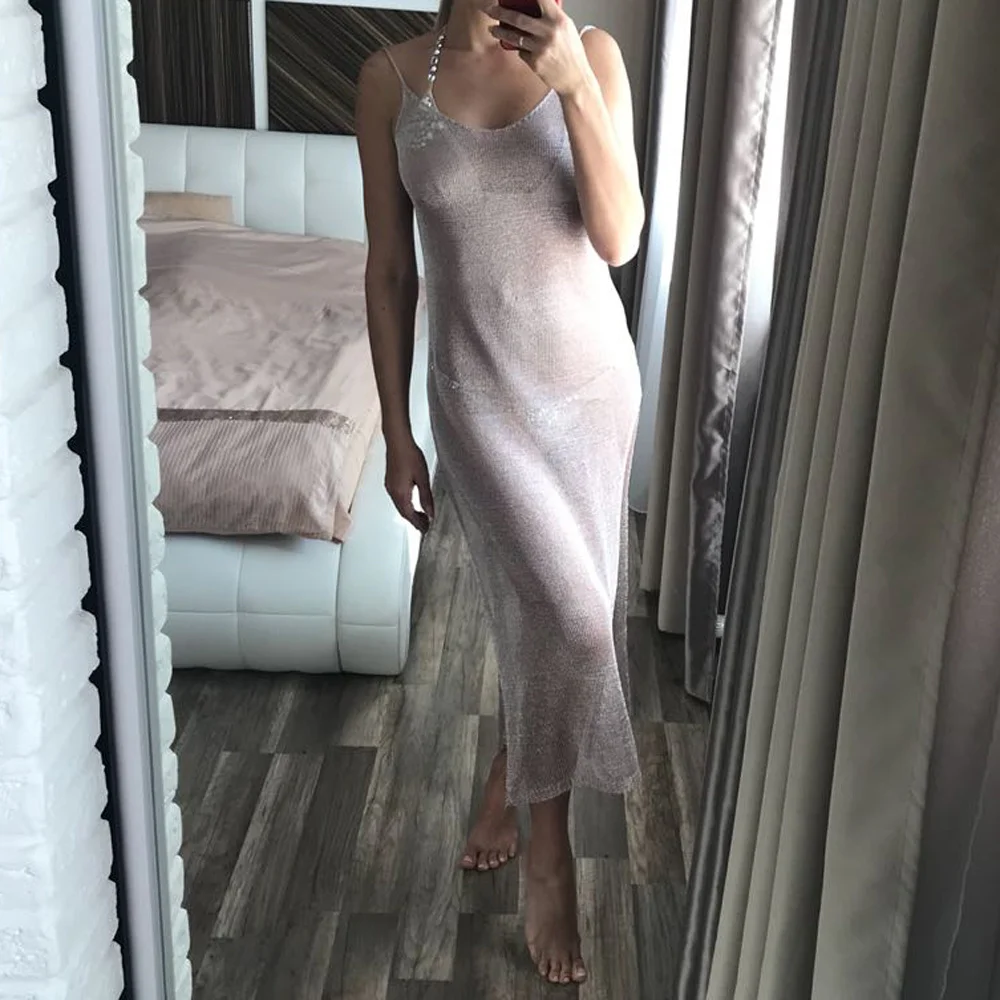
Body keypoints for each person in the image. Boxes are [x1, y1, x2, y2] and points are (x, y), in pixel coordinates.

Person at [356, 0, 644, 985]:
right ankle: (549, 855)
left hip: (591, 392)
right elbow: (389, 271)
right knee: (575, 624)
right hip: (478, 403)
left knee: (566, 623)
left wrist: (572, 85)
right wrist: (395, 430)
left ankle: (513, 763)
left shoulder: (592, 52)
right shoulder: (390, 79)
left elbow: (619, 237)